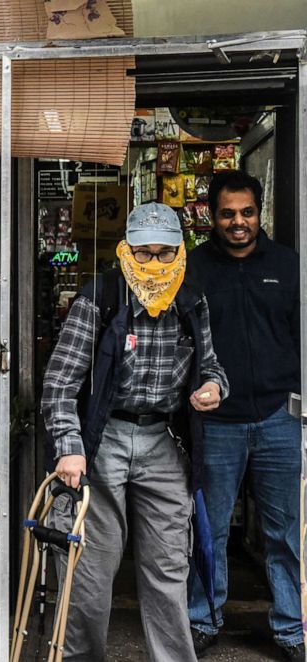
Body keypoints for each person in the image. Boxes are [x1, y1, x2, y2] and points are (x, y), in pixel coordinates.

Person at [41, 202, 229, 662]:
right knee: (91, 567)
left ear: (180, 251)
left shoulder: (192, 297)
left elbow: (212, 367)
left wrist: (212, 387)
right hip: (104, 441)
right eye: (143, 254)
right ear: (126, 249)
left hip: (164, 441)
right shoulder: (102, 294)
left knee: (169, 566)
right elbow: (60, 383)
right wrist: (70, 447)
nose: (154, 264)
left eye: (165, 254)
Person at [185, 172, 303, 659]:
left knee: (286, 532)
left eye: (247, 212)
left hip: (280, 416)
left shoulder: (287, 264)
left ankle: (292, 629)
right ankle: (203, 619)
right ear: (212, 215)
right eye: (228, 213)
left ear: (260, 211)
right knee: (208, 530)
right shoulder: (191, 269)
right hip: (216, 424)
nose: (239, 222)